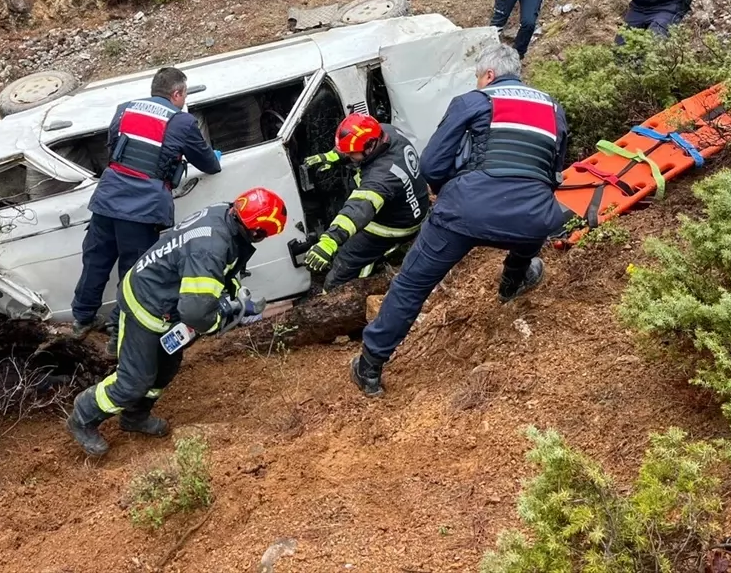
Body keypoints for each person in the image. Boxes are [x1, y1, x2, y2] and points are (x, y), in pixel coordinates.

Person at [350, 43, 569, 398]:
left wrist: (454, 190)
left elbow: (431, 165)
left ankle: (370, 367)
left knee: (411, 285)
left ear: (489, 75)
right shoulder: (553, 108)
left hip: (462, 211)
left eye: (478, 77)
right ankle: (513, 280)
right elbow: (552, 173)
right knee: (532, 214)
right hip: (531, 217)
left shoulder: (473, 102)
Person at [66, 188, 287, 457]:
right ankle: (83, 416)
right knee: (134, 380)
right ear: (257, 231)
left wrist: (235, 296)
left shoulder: (225, 216)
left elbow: (223, 272)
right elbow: (195, 312)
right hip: (146, 305)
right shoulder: (211, 248)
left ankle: (134, 417)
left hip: (167, 304)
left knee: (165, 369)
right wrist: (220, 317)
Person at [71, 67, 221, 354]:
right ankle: (117, 334)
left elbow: (114, 148)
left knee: (96, 261)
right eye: (184, 94)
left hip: (108, 198)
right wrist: (214, 157)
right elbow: (208, 164)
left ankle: (82, 319)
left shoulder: (124, 110)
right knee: (134, 272)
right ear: (177, 93)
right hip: (144, 207)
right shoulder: (182, 122)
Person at [301, 113, 429, 291]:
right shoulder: (385, 131)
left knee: (345, 261)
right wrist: (334, 156)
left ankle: (338, 294)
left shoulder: (381, 177)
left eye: (352, 154)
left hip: (394, 225)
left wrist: (329, 241)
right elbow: (358, 145)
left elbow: (358, 210)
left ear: (370, 148)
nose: (350, 157)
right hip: (412, 204)